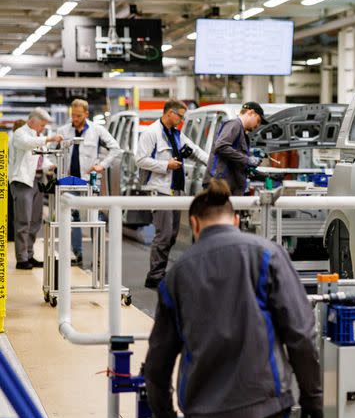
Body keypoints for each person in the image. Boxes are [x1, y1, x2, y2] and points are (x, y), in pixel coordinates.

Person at [143, 179, 323, 418]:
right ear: (236, 220)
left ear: (195, 224)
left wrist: (163, 417)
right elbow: (301, 335)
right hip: (262, 412)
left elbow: (157, 361)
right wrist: (313, 397)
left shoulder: (176, 276)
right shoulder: (267, 255)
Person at [135, 99, 208, 289]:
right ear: (169, 113)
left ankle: (160, 272)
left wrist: (215, 163)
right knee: (164, 234)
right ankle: (155, 275)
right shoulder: (151, 133)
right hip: (159, 190)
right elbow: (140, 160)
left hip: (175, 191)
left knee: (173, 234)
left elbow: (196, 152)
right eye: (180, 116)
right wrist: (165, 165)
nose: (182, 120)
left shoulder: (176, 135)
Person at [58, 99, 122, 265]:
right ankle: (76, 253)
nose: (75, 119)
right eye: (73, 115)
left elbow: (115, 148)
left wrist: (102, 165)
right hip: (69, 181)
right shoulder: (63, 131)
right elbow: (54, 152)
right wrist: (55, 167)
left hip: (89, 181)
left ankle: (98, 256)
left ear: (86, 114)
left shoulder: (97, 130)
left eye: (79, 115)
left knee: (95, 218)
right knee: (72, 218)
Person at [10, 108, 62, 270]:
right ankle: (21, 258)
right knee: (23, 221)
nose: (43, 129)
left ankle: (30, 255)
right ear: (32, 121)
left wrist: (51, 165)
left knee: (35, 221)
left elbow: (41, 159)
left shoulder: (37, 137)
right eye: (41, 125)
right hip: (22, 183)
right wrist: (49, 138)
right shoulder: (20, 134)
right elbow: (27, 144)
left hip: (38, 182)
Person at [203, 102, 267, 196]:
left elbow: (234, 157)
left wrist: (249, 164)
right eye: (258, 121)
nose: (258, 126)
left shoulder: (242, 132)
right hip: (219, 185)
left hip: (228, 186)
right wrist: (247, 160)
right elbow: (221, 146)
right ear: (251, 113)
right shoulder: (234, 124)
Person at [7, 119, 26, 243]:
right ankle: (12, 234)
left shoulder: (10, 139)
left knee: (9, 209)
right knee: (15, 209)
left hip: (9, 178)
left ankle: (9, 233)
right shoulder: (15, 141)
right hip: (13, 178)